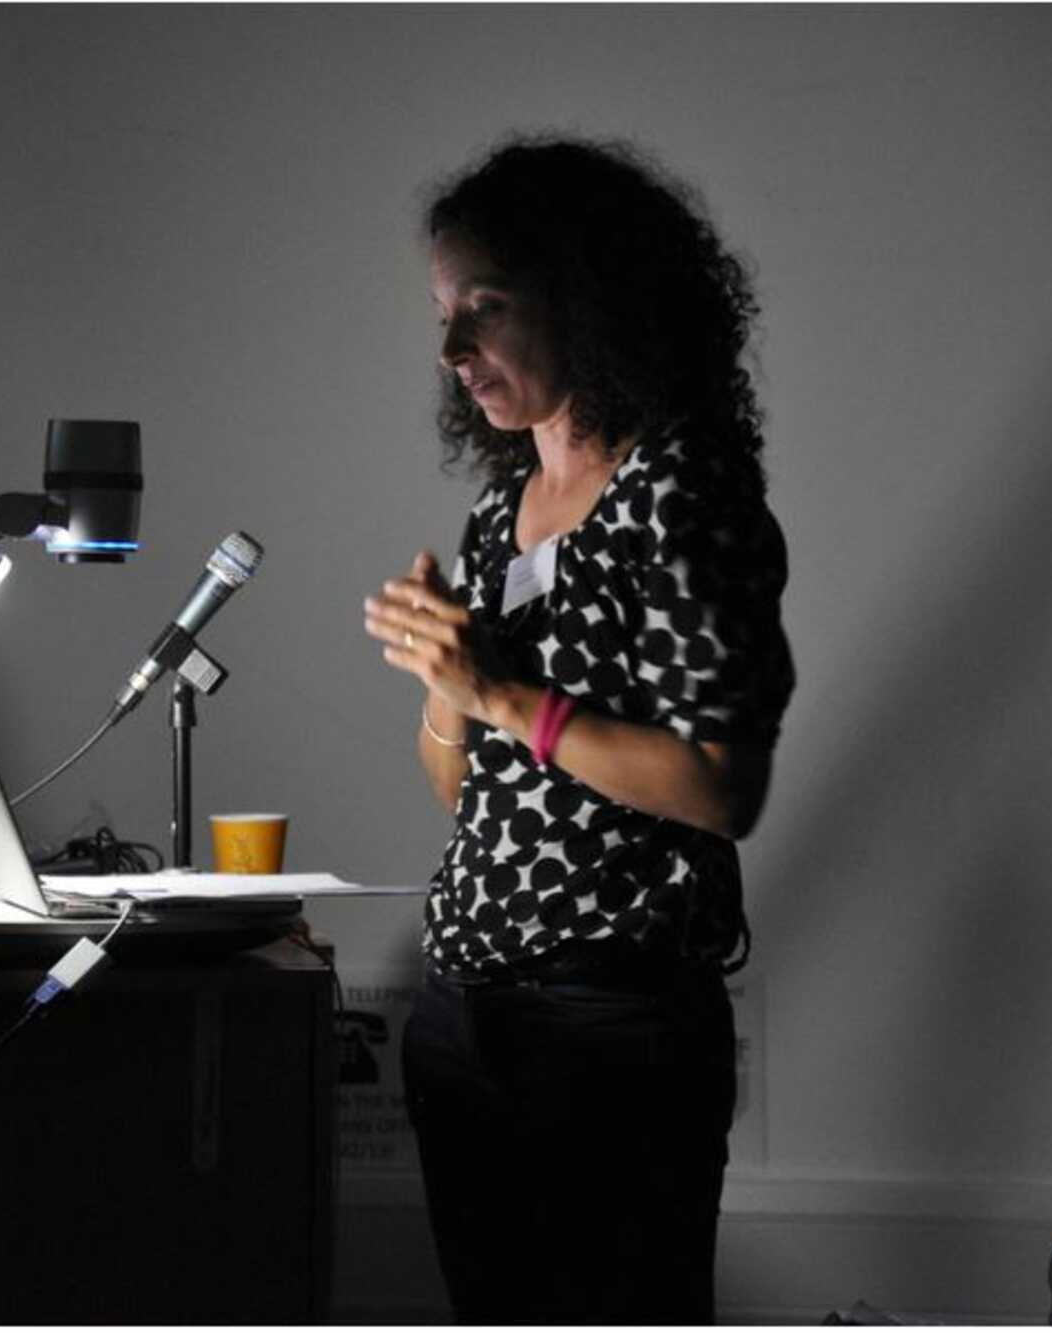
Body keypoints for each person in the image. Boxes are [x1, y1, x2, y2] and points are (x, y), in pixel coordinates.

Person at [361, 134, 795, 1324]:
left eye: (485, 306)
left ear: (587, 296)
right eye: (443, 314)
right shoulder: (499, 507)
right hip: (464, 1013)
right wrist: (446, 682)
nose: (452, 349)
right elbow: (469, 792)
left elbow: (720, 785)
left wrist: (504, 694)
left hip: (610, 1026)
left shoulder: (680, 488)